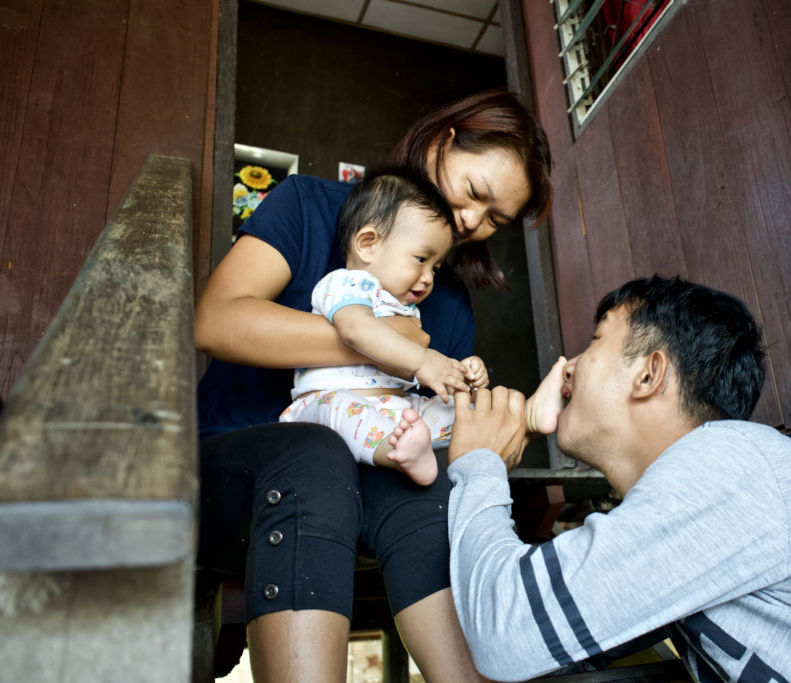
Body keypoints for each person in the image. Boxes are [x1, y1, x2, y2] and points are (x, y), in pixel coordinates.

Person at [445, 275, 791, 682]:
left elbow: (507, 628)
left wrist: (478, 466)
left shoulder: (730, 463)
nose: (567, 366)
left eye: (595, 341)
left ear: (649, 373)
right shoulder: (698, 496)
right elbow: (538, 644)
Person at [194, 89, 551, 682]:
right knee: (314, 454)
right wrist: (392, 344)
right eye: (474, 193)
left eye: (495, 220)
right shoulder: (309, 205)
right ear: (443, 142)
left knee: (430, 491)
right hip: (233, 486)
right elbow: (217, 320)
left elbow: (427, 422)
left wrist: (486, 439)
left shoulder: (444, 295)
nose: (470, 222)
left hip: (362, 500)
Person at [278, 170, 490, 487]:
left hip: (395, 408)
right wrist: (422, 360)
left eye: (435, 266)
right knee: (344, 411)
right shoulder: (346, 283)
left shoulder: (404, 309)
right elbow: (356, 330)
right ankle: (399, 451)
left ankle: (517, 415)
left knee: (462, 411)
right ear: (367, 244)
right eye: (421, 258)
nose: (429, 276)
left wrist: (460, 375)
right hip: (325, 404)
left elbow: (413, 373)